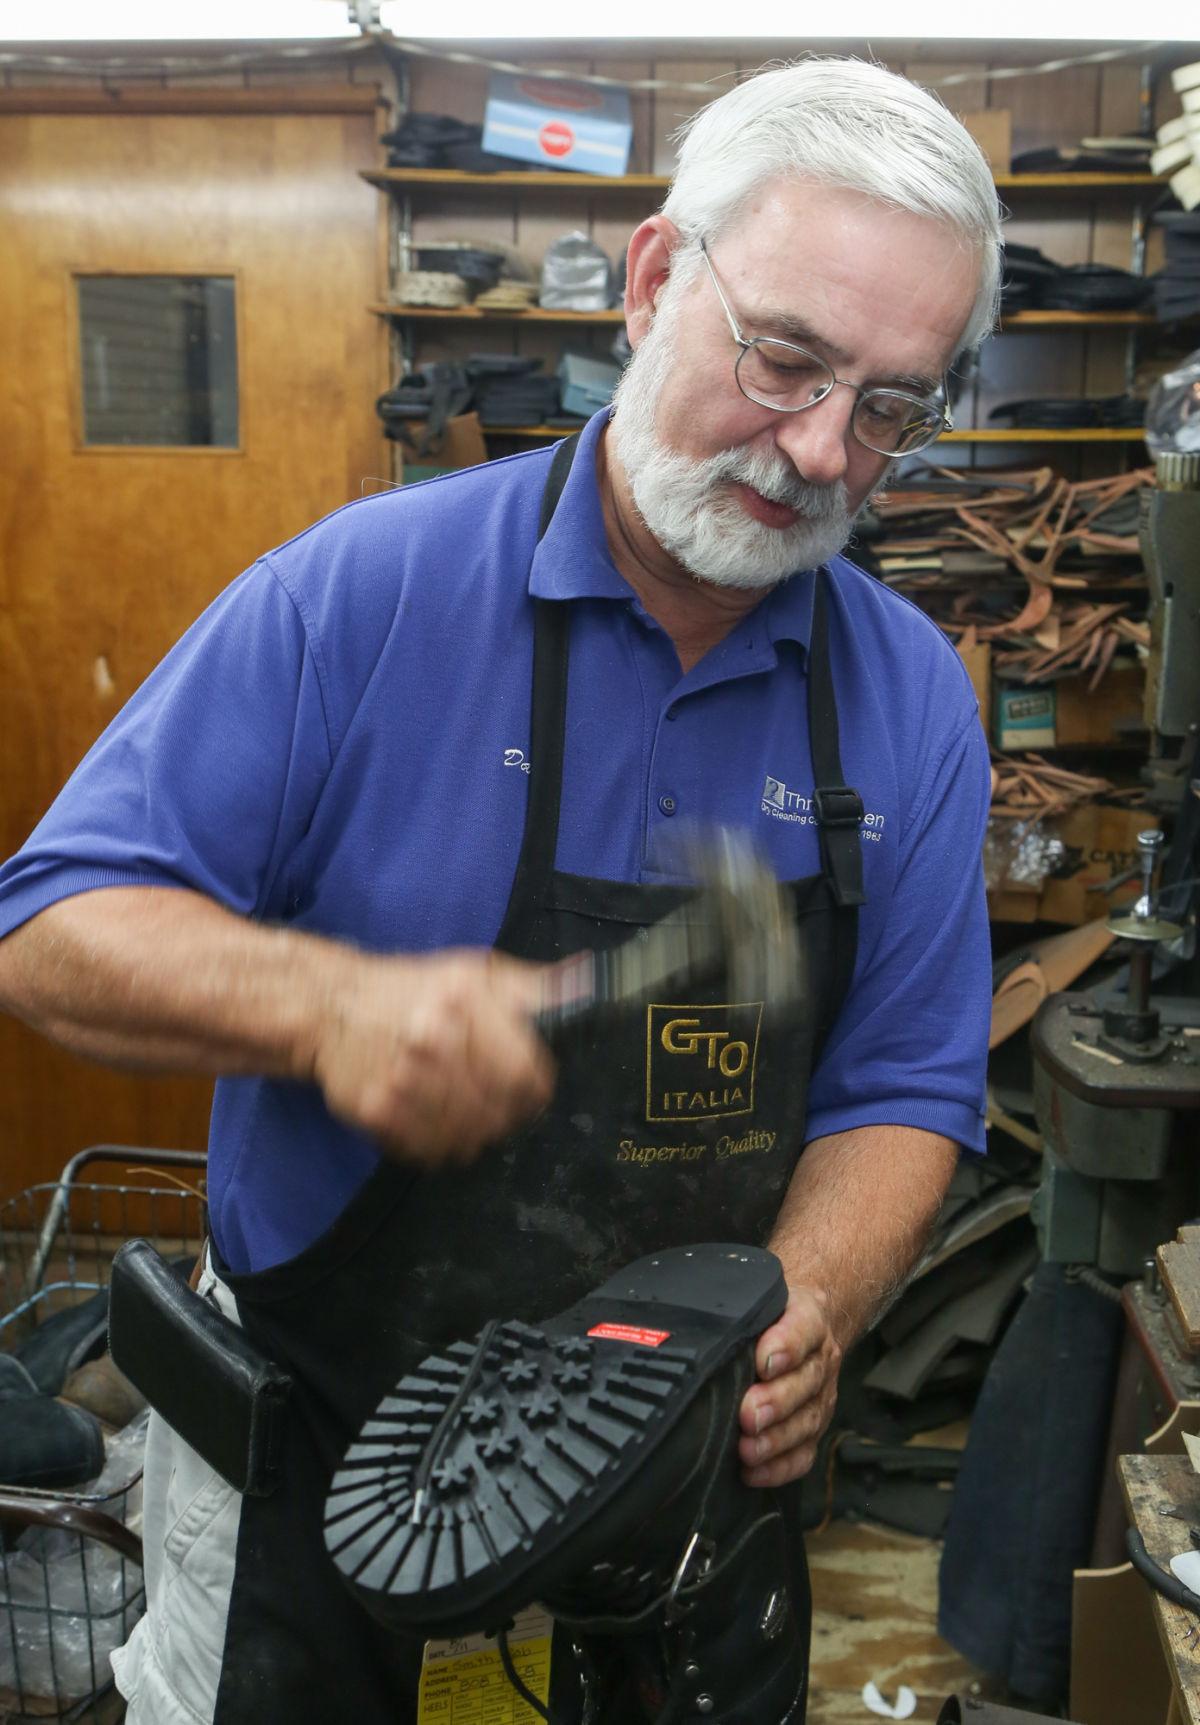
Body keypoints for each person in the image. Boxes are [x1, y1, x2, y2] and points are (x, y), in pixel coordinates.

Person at [0, 54, 1000, 1725]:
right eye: (787, 360)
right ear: (659, 277)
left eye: (892, 406)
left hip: (681, 1482)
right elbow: (50, 922)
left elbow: (903, 1084)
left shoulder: (904, 701)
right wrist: (320, 998)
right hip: (320, 1465)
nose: (824, 449)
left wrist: (813, 1299)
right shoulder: (358, 599)